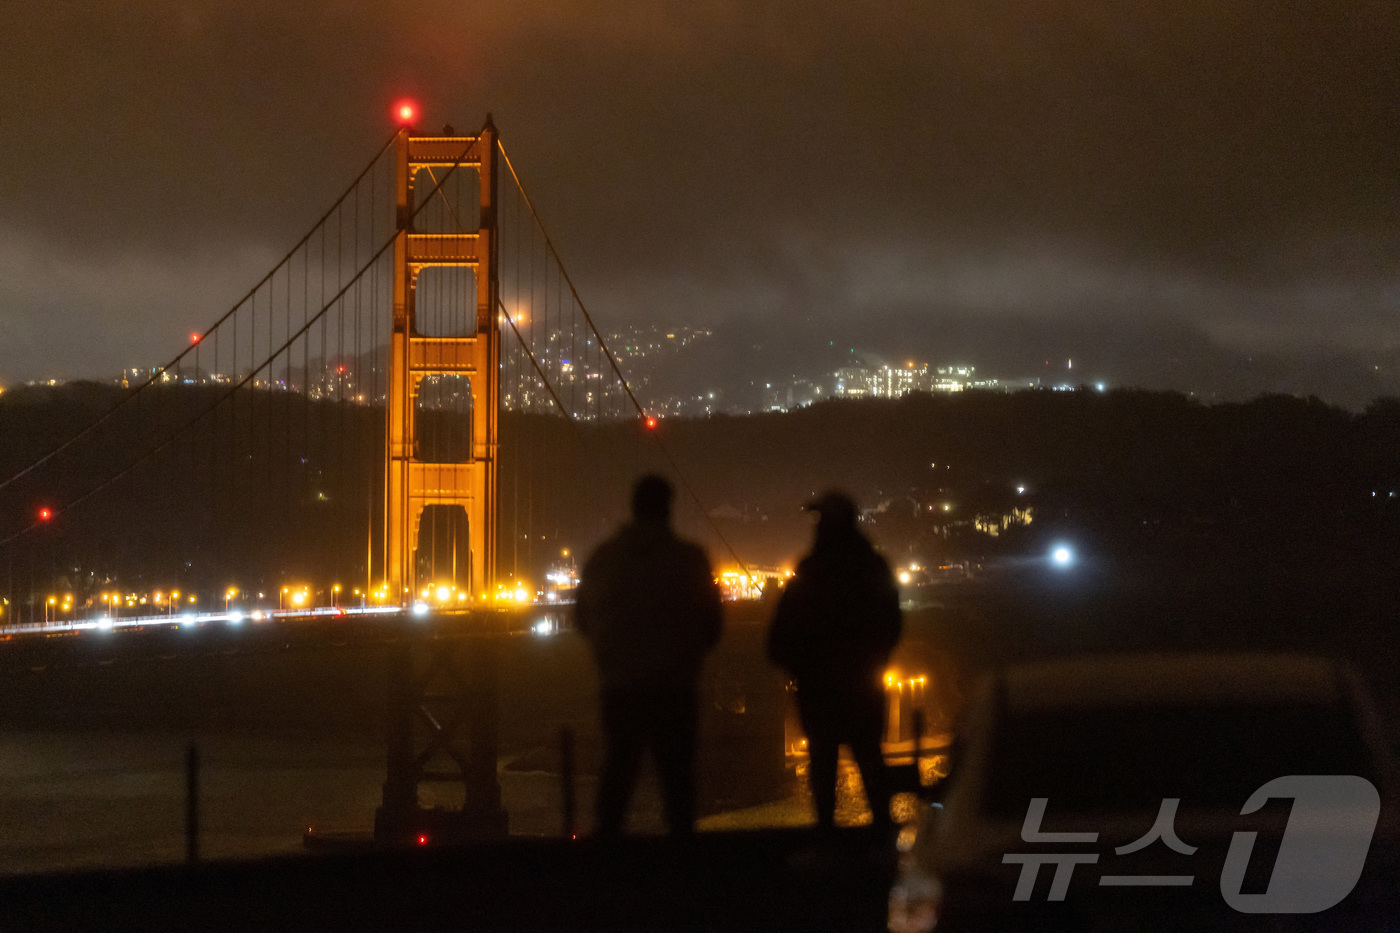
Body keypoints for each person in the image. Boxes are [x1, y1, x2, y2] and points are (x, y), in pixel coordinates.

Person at [575, 474, 723, 836]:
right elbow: (712, 626)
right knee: (678, 785)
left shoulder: (604, 558)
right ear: (669, 507)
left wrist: (613, 655)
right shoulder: (689, 559)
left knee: (617, 778)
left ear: (633, 506)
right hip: (675, 689)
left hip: (621, 688)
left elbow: (581, 620)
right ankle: (681, 862)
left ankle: (607, 861)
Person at [767, 490, 902, 831]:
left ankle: (826, 836)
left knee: (823, 763)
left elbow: (783, 631)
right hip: (863, 684)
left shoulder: (811, 571)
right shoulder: (874, 568)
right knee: (870, 758)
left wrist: (794, 664)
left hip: (819, 689)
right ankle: (883, 835)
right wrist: (875, 659)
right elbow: (892, 624)